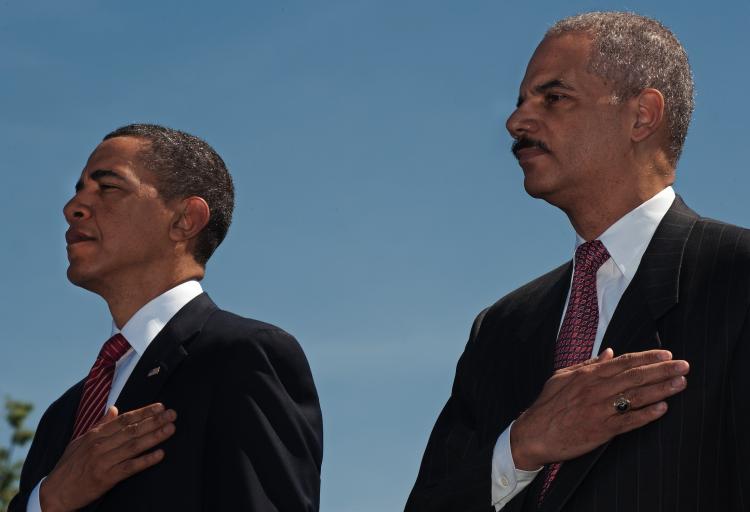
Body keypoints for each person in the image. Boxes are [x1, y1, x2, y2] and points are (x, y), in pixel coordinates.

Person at [406, 12, 750, 512]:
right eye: (521, 100)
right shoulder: (500, 328)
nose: (516, 121)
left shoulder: (738, 280)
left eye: (554, 98)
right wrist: (521, 446)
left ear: (642, 115)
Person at [9, 124, 323, 511]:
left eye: (107, 187)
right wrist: (48, 500)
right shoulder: (62, 415)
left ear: (185, 220)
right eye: (78, 189)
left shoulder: (242, 356)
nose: (72, 207)